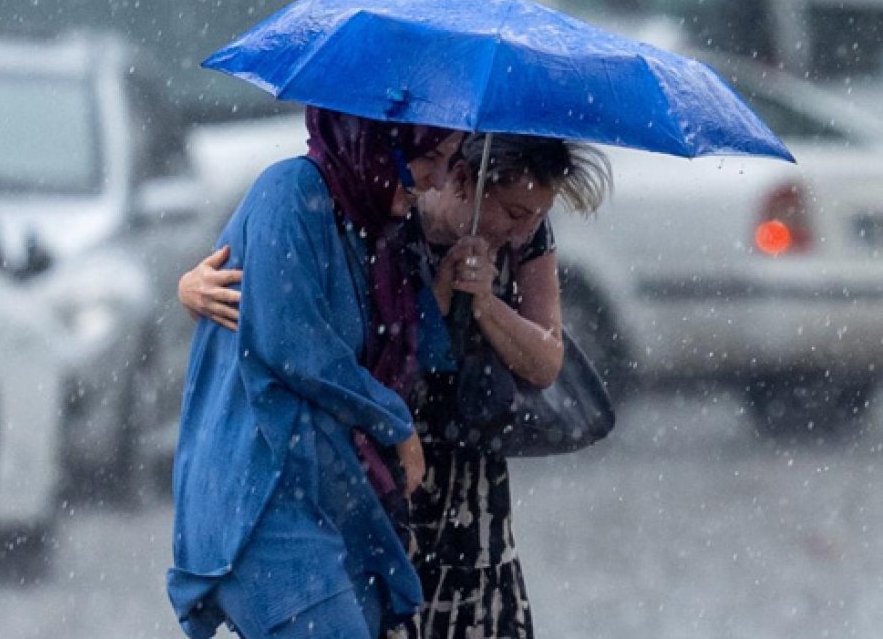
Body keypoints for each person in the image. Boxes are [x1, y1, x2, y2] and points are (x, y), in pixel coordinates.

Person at [178, 132, 611, 638]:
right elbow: (299, 319)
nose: (526, 229)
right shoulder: (383, 207)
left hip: (462, 466)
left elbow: (545, 360)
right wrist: (192, 291)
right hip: (380, 459)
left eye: (538, 214)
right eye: (516, 213)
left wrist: (485, 303)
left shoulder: (524, 236)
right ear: (465, 181)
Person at [167, 106, 462, 639]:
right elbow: (293, 343)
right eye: (431, 157)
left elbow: (409, 348)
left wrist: (464, 283)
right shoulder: (290, 192)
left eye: (451, 161)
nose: (439, 180)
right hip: (262, 503)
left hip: (331, 499)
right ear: (378, 140)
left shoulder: (371, 226)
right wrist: (394, 422)